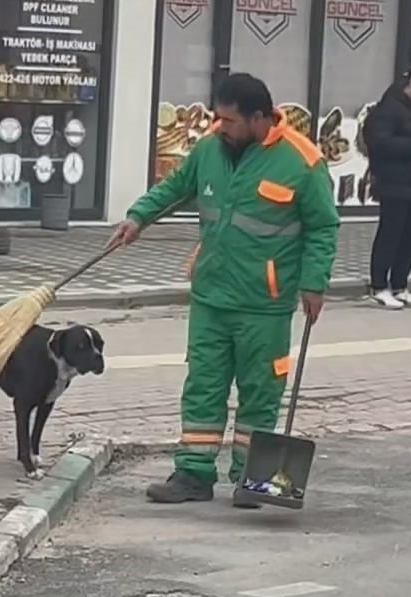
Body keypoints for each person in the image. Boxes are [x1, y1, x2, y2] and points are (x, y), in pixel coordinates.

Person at [106, 73, 339, 505]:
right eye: (217, 117)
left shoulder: (302, 162)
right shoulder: (211, 147)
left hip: (264, 303)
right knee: (204, 384)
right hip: (211, 294)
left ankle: (253, 478)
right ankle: (193, 474)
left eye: (228, 120)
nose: (219, 126)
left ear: (259, 118)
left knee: (260, 390)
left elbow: (323, 227)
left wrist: (314, 283)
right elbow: (177, 187)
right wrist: (138, 217)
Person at [364, 60, 411, 311]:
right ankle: (379, 286)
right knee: (391, 234)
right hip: (395, 182)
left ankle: (400, 285)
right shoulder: (388, 109)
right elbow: (380, 144)